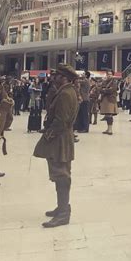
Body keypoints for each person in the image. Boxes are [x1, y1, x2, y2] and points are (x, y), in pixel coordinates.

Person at [33, 64, 79, 228]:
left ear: (64, 78)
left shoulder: (66, 94)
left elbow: (62, 121)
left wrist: (48, 135)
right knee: (60, 173)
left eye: (57, 75)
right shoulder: (67, 91)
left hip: (59, 139)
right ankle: (62, 207)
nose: (54, 78)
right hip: (61, 137)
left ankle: (63, 214)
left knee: (61, 174)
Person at [100, 69, 118, 135]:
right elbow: (100, 89)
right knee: (107, 115)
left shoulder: (114, 82)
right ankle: (108, 128)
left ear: (112, 75)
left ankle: (110, 129)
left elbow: (111, 90)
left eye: (110, 74)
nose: (109, 75)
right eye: (108, 74)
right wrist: (105, 89)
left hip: (111, 100)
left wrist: (105, 89)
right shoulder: (104, 82)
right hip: (105, 100)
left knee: (110, 115)